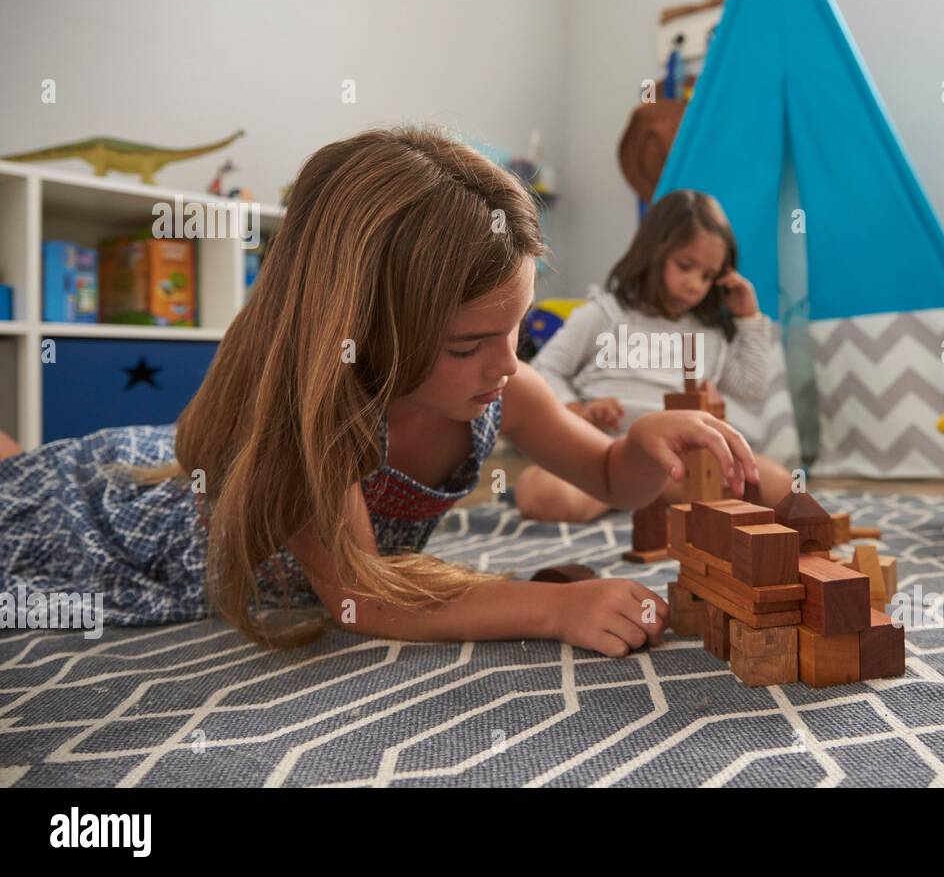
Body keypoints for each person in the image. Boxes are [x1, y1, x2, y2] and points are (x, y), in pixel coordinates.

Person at [0, 127, 759, 659]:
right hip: (117, 526)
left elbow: (604, 475)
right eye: (467, 345)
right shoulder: (317, 418)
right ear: (366, 329)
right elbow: (366, 599)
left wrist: (645, 449)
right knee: (18, 491)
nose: (505, 364)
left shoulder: (502, 381)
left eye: (518, 329)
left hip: (148, 471)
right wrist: (555, 608)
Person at [517, 189, 792, 523]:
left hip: (684, 461)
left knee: (782, 487)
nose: (694, 285)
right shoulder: (606, 313)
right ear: (653, 252)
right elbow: (544, 369)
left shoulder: (710, 333)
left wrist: (748, 318)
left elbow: (750, 387)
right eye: (685, 266)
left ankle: (649, 495)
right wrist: (580, 411)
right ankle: (636, 492)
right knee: (545, 498)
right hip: (609, 453)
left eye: (707, 276)